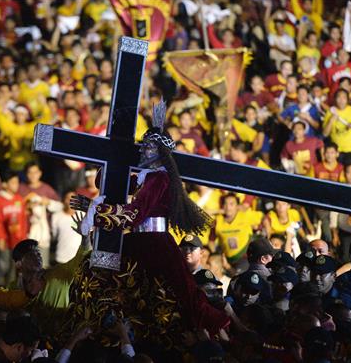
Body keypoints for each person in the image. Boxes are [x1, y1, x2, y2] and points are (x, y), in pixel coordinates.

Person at [71, 100, 229, 334]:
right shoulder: (148, 177)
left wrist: (94, 212)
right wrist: (107, 162)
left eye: (150, 147)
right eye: (143, 145)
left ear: (162, 153)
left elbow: (132, 216)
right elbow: (112, 181)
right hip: (141, 242)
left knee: (181, 297)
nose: (144, 149)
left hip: (153, 243)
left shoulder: (158, 179)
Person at [0, 170, 28, 285]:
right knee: (3, 266)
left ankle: (9, 293)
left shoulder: (19, 199)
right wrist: (0, 238)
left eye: (17, 182)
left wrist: (23, 237)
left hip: (17, 240)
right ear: (5, 184)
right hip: (5, 240)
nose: (16, 185)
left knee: (14, 267)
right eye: (12, 182)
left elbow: (23, 220)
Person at [212, 192, 263, 273]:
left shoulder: (245, 216)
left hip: (244, 258)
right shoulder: (218, 220)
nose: (228, 207)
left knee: (239, 276)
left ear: (237, 206)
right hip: (226, 258)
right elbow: (211, 241)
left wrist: (258, 228)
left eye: (231, 204)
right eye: (225, 204)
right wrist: (216, 254)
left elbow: (263, 218)